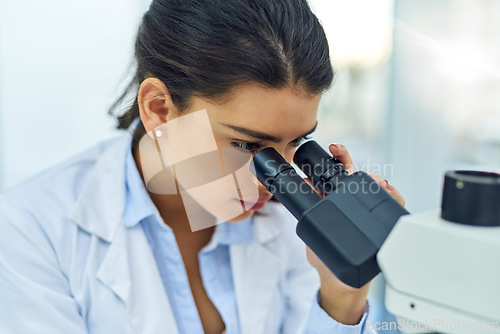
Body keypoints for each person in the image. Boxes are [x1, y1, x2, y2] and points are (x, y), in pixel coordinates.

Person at [0, 0, 405, 333]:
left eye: (297, 143)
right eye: (247, 144)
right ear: (159, 109)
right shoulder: (31, 230)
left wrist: (342, 294)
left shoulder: (290, 229)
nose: (275, 181)